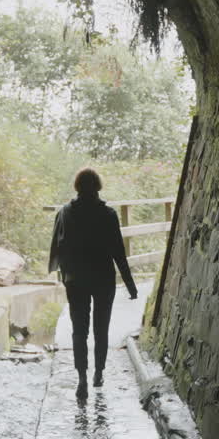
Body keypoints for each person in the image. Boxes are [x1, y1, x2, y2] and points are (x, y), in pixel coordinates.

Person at [48, 167, 138, 398]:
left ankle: (81, 380)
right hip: (103, 279)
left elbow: (58, 248)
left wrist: (62, 275)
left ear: (77, 186)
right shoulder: (108, 214)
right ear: (98, 186)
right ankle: (98, 372)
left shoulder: (65, 213)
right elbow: (118, 251)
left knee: (79, 330)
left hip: (76, 280)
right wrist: (130, 283)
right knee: (101, 328)